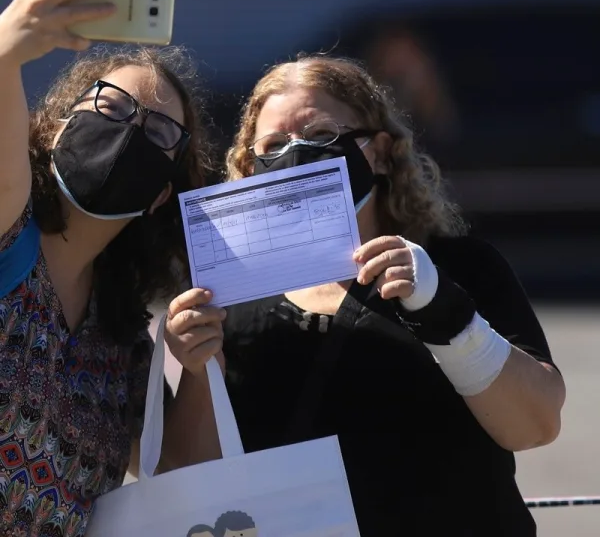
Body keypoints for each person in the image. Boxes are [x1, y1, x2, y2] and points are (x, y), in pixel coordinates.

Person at [217, 55, 566, 535]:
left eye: (321, 136)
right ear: (251, 167)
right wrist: (190, 360)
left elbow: (536, 426)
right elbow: (196, 465)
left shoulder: (461, 267)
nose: (297, 156)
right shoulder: (232, 298)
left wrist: (446, 313)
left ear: (379, 152)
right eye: (274, 145)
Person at [0, 0, 223, 536]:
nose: (130, 134)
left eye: (158, 134)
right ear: (53, 126)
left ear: (159, 196)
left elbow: (178, 474)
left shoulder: (119, 333)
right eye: (113, 107)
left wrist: (197, 368)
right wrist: (7, 49)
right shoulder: (9, 229)